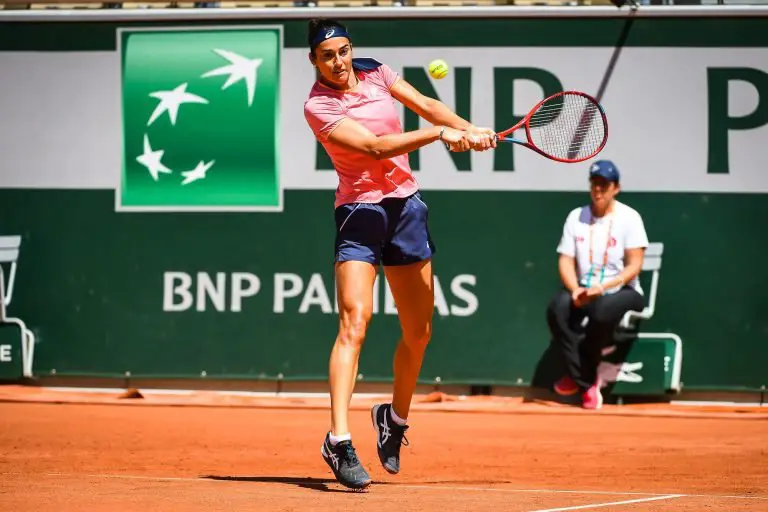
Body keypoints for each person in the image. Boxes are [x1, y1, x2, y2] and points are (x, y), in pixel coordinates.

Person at [302, 18, 496, 489]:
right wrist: (438, 135)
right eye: (327, 56)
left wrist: (469, 129)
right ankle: (338, 440)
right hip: (359, 212)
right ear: (314, 61)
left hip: (405, 209)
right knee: (355, 321)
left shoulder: (375, 70)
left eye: (343, 51)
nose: (339, 62)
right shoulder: (318, 105)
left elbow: (426, 103)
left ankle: (394, 418)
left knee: (419, 332)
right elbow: (374, 147)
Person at [546, 160, 648, 410]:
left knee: (601, 311)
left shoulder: (629, 217)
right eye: (594, 184)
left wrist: (603, 288)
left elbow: (634, 265)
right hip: (584, 289)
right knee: (557, 309)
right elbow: (565, 260)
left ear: (616, 188)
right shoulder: (576, 217)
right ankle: (586, 383)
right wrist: (575, 289)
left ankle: (578, 373)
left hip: (623, 290)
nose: (598, 190)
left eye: (604, 184)